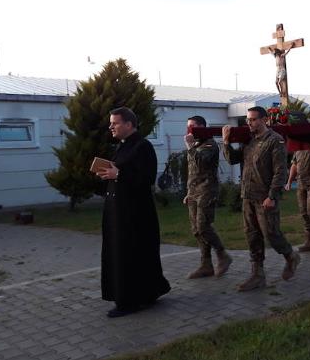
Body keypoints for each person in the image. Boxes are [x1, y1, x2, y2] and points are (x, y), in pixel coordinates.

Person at [97, 107, 170, 318]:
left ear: (129, 124)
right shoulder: (122, 147)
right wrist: (110, 173)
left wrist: (118, 174)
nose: (111, 126)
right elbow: (122, 172)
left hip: (135, 215)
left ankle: (130, 301)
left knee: (131, 254)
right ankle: (146, 293)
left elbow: (145, 179)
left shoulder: (142, 146)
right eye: (111, 123)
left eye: (115, 123)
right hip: (118, 212)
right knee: (122, 253)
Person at [223, 106, 300, 291]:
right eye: (248, 119)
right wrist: (226, 143)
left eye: (253, 119)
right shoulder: (249, 141)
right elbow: (233, 160)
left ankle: (291, 256)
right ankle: (257, 275)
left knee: (271, 234)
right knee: (252, 235)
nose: (249, 122)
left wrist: (272, 196)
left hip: (264, 197)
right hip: (248, 196)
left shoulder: (275, 141)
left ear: (265, 120)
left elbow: (280, 172)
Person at [184, 115, 232, 279]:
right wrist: (188, 192)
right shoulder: (196, 144)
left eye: (192, 127)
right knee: (196, 230)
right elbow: (192, 171)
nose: (189, 130)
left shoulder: (210, 144)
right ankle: (206, 265)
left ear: (202, 127)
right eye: (187, 127)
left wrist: (190, 147)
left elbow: (201, 163)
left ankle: (222, 254)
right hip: (193, 192)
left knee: (204, 226)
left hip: (206, 191)